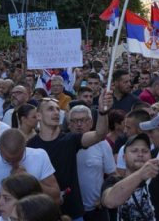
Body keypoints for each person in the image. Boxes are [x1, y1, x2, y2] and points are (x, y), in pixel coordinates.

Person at [28, 91, 112, 219]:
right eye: (50, 109)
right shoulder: (30, 146)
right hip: (43, 213)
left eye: (57, 109)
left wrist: (102, 112)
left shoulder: (70, 139)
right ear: (38, 116)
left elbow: (99, 134)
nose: (56, 112)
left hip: (73, 212)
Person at [101, 131, 159, 221]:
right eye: (134, 151)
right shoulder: (112, 181)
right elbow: (110, 202)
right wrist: (140, 174)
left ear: (150, 156)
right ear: (124, 157)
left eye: (145, 151)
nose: (140, 154)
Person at [0, 129, 61, 203]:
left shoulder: (40, 156)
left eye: (18, 158)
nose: (14, 164)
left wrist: (31, 182)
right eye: (8, 160)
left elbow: (56, 196)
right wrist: (10, 189)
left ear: (25, 146)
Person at [67, 104, 116, 221]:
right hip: (69, 211)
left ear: (91, 122)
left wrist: (104, 197)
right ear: (69, 124)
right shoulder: (63, 143)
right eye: (75, 121)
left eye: (83, 120)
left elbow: (112, 175)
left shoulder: (102, 144)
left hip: (96, 208)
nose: (79, 124)